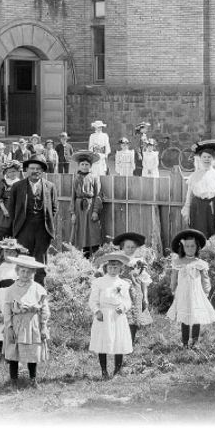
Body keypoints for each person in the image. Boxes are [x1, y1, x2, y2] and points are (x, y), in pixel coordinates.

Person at [1, 255, 50, 390]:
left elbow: (44, 309)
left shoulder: (38, 288)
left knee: (32, 353)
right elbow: (6, 310)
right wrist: (9, 327)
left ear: (33, 273)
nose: (25, 274)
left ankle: (33, 380)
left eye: (29, 272)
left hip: (32, 323)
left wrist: (43, 326)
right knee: (14, 353)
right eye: (22, 271)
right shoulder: (11, 289)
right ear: (17, 271)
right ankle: (13, 381)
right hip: (17, 324)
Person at [9, 157, 60, 283]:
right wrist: (18, 224)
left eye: (38, 169)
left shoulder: (50, 186)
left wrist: (45, 221)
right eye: (32, 168)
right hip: (24, 229)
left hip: (42, 229)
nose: (35, 171)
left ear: (42, 171)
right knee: (24, 260)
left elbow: (54, 208)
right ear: (26, 170)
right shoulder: (17, 186)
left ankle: (39, 291)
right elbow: (11, 209)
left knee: (40, 260)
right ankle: (22, 289)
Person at [88, 250, 134, 379]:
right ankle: (104, 371)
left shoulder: (124, 284)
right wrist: (97, 311)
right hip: (103, 315)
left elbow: (127, 301)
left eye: (116, 267)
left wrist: (123, 307)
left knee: (118, 341)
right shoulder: (99, 282)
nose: (113, 270)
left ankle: (117, 370)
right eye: (110, 267)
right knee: (102, 342)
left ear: (120, 269)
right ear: (106, 268)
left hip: (117, 316)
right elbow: (93, 300)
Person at [168, 228, 215, 349]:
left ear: (197, 247)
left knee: (196, 316)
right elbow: (174, 277)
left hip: (196, 294)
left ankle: (194, 342)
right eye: (187, 246)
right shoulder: (178, 262)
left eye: (192, 246)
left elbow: (205, 279)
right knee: (185, 317)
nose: (190, 249)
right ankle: (184, 342)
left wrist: (206, 292)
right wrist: (173, 289)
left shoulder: (200, 263)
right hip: (183, 293)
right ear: (183, 248)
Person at [181, 140, 215, 244]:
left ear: (213, 159)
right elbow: (189, 196)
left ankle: (214, 259)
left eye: (209, 157)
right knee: (197, 236)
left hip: (212, 209)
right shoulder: (194, 176)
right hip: (197, 209)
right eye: (204, 157)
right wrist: (187, 211)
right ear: (200, 159)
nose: (207, 159)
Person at [0, 239, 25, 355]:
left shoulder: (19, 267)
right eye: (6, 252)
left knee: (13, 324)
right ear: (2, 253)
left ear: (17, 253)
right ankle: (1, 352)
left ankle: (13, 352)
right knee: (0, 325)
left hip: (14, 299)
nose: (9, 254)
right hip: (2, 299)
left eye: (12, 252)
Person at [113, 232, 153, 342]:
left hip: (136, 293)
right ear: (122, 247)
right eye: (128, 247)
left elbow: (144, 280)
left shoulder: (139, 262)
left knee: (135, 318)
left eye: (133, 247)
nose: (130, 249)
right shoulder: (118, 260)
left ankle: (131, 341)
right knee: (121, 316)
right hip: (121, 292)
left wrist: (145, 297)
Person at [70, 150, 106, 256]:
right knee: (80, 231)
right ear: (78, 166)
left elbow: (98, 195)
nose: (84, 167)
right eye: (82, 164)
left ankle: (96, 255)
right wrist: (72, 213)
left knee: (93, 231)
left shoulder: (94, 177)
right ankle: (83, 257)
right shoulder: (76, 178)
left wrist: (95, 211)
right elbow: (72, 196)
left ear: (90, 166)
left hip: (90, 206)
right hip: (78, 207)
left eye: (87, 164)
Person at [0, 159, 23, 237]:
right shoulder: (4, 183)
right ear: (6, 173)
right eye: (9, 172)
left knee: (15, 230)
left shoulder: (20, 183)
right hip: (5, 208)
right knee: (3, 229)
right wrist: (4, 210)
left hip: (16, 209)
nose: (12, 173)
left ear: (17, 172)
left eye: (14, 171)